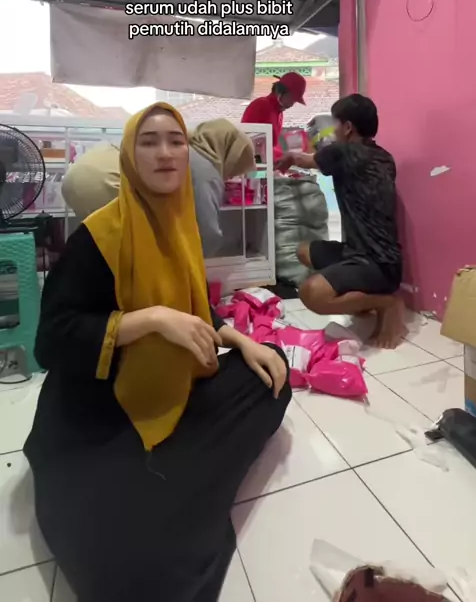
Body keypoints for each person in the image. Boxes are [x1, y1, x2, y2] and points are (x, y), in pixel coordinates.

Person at [24, 104, 291, 602]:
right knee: (129, 569)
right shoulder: (99, 238)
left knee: (271, 371)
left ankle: (170, 475)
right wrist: (147, 320)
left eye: (176, 140)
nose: (165, 152)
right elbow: (51, 342)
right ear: (130, 156)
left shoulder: (179, 224)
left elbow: (193, 306)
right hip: (97, 411)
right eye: (149, 141)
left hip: (170, 383)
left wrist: (238, 338)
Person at [276, 94, 404, 348]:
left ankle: (387, 304)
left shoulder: (343, 152)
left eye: (335, 123)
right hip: (375, 257)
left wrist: (289, 156)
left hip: (377, 264)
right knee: (304, 251)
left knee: (311, 293)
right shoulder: (384, 157)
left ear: (347, 127)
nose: (333, 130)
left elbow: (305, 159)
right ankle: (363, 303)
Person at [62, 119, 255, 258]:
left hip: (80, 176)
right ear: (230, 155)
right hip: (106, 183)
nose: (229, 176)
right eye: (235, 168)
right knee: (145, 260)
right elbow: (207, 234)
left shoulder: (184, 147)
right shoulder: (205, 168)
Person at [241, 72, 307, 162]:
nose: (292, 104)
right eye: (291, 98)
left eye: (295, 101)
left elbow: (269, 147)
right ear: (280, 92)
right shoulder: (261, 105)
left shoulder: (279, 112)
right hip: (252, 162)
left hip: (263, 161)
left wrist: (289, 157)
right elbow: (254, 146)